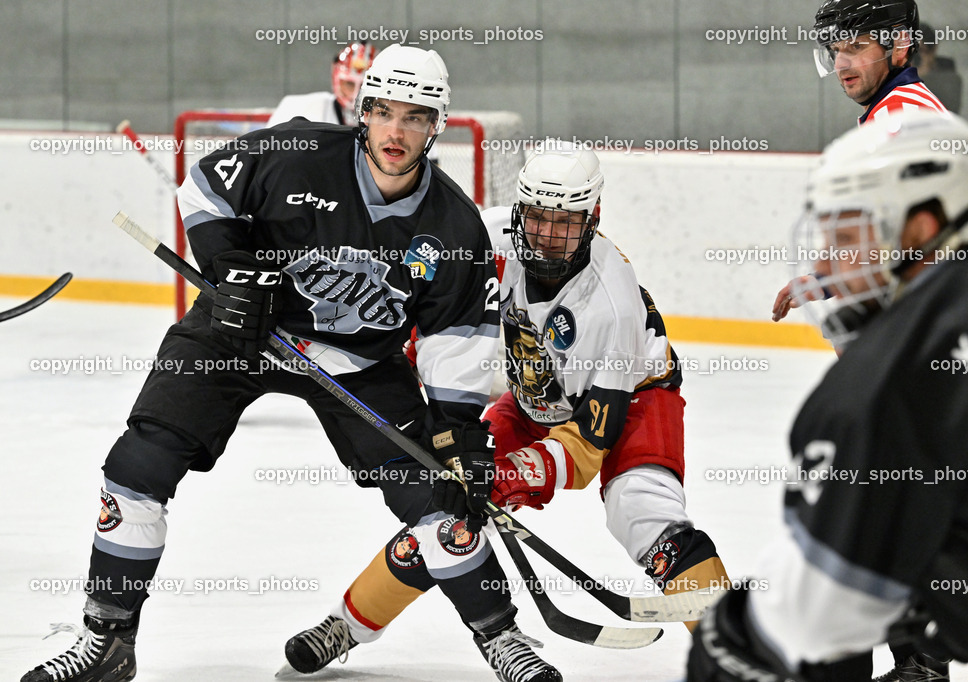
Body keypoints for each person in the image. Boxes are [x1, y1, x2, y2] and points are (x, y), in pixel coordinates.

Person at [20, 44, 562, 682]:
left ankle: (503, 637)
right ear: (363, 110)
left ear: (435, 124)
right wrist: (233, 277)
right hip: (242, 333)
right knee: (139, 464)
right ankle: (106, 641)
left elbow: (456, 338)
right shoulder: (302, 152)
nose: (396, 131)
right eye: (384, 112)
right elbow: (204, 188)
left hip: (360, 362)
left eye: (414, 117)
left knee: (444, 499)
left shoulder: (453, 225)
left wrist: (463, 436)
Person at [279, 142, 731, 675]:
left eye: (565, 223)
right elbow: (408, 296)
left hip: (636, 395)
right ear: (519, 211)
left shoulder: (613, 303)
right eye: (537, 218)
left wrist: (508, 474)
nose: (547, 235)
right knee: (446, 509)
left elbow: (586, 451)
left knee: (642, 512)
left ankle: (744, 655)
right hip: (533, 394)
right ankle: (346, 626)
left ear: (593, 218)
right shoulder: (479, 238)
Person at [687, 110, 968, 682]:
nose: (825, 264)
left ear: (920, 227)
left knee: (736, 645)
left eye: (845, 238)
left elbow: (814, 622)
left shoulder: (875, 388)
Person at [773, 0, 947, 324]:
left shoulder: (900, 117)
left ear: (900, 44)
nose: (841, 64)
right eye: (836, 50)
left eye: (855, 46)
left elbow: (909, 237)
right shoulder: (899, 106)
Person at [268, 41, 376, 127]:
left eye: (364, 85)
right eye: (349, 84)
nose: (356, 94)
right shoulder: (298, 108)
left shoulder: (387, 120)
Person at [913, 23, 962, 115]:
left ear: (934, 49)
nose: (915, 58)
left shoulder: (949, 78)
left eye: (921, 51)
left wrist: (922, 78)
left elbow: (949, 110)